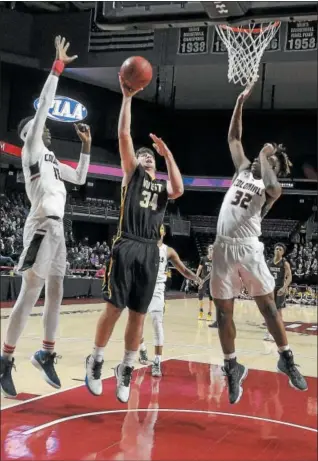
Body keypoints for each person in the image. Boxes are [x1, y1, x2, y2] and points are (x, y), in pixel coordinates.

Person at [0, 37, 91, 398]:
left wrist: (85, 147)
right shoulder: (32, 149)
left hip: (58, 230)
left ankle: (46, 353)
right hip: (39, 226)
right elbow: (41, 114)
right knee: (29, 295)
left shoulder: (53, 161)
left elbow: (81, 178)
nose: (47, 129)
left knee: (56, 293)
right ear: (28, 135)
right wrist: (57, 67)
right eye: (38, 128)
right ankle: (5, 361)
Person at [85, 75, 184, 403]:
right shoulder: (132, 175)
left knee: (138, 315)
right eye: (144, 157)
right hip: (127, 243)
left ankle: (126, 368)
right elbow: (124, 134)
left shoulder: (161, 186)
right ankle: (96, 359)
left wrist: (168, 154)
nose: (147, 160)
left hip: (150, 252)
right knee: (114, 308)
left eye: (150, 159)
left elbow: (179, 188)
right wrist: (127, 97)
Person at [210, 84, 307, 405]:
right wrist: (239, 102)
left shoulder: (270, 188)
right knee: (223, 315)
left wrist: (268, 156)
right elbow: (234, 139)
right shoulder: (242, 169)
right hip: (223, 248)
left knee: (267, 307)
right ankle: (232, 365)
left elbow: (273, 184)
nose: (257, 159)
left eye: (268, 162)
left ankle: (286, 358)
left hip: (249, 248)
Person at [139, 225, 201, 377]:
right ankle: (142, 349)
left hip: (158, 292)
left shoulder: (168, 251)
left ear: (163, 233)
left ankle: (157, 361)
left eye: (160, 229)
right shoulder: (144, 247)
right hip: (142, 289)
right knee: (137, 325)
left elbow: (184, 270)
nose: (157, 232)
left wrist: (197, 278)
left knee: (157, 325)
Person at [264, 243, 292, 341]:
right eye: (276, 249)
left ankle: (279, 333)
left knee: (278, 312)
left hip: (279, 289)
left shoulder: (285, 263)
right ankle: (269, 332)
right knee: (269, 311)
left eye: (280, 249)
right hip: (270, 289)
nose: (278, 250)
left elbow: (290, 277)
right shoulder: (269, 261)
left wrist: (284, 288)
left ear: (283, 252)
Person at [196, 245, 214, 321]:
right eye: (209, 248)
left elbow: (212, 273)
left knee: (211, 297)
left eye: (212, 248)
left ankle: (209, 313)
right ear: (207, 249)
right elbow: (199, 269)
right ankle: (200, 311)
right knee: (200, 295)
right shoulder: (203, 259)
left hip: (212, 280)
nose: (211, 249)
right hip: (203, 279)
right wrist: (196, 277)